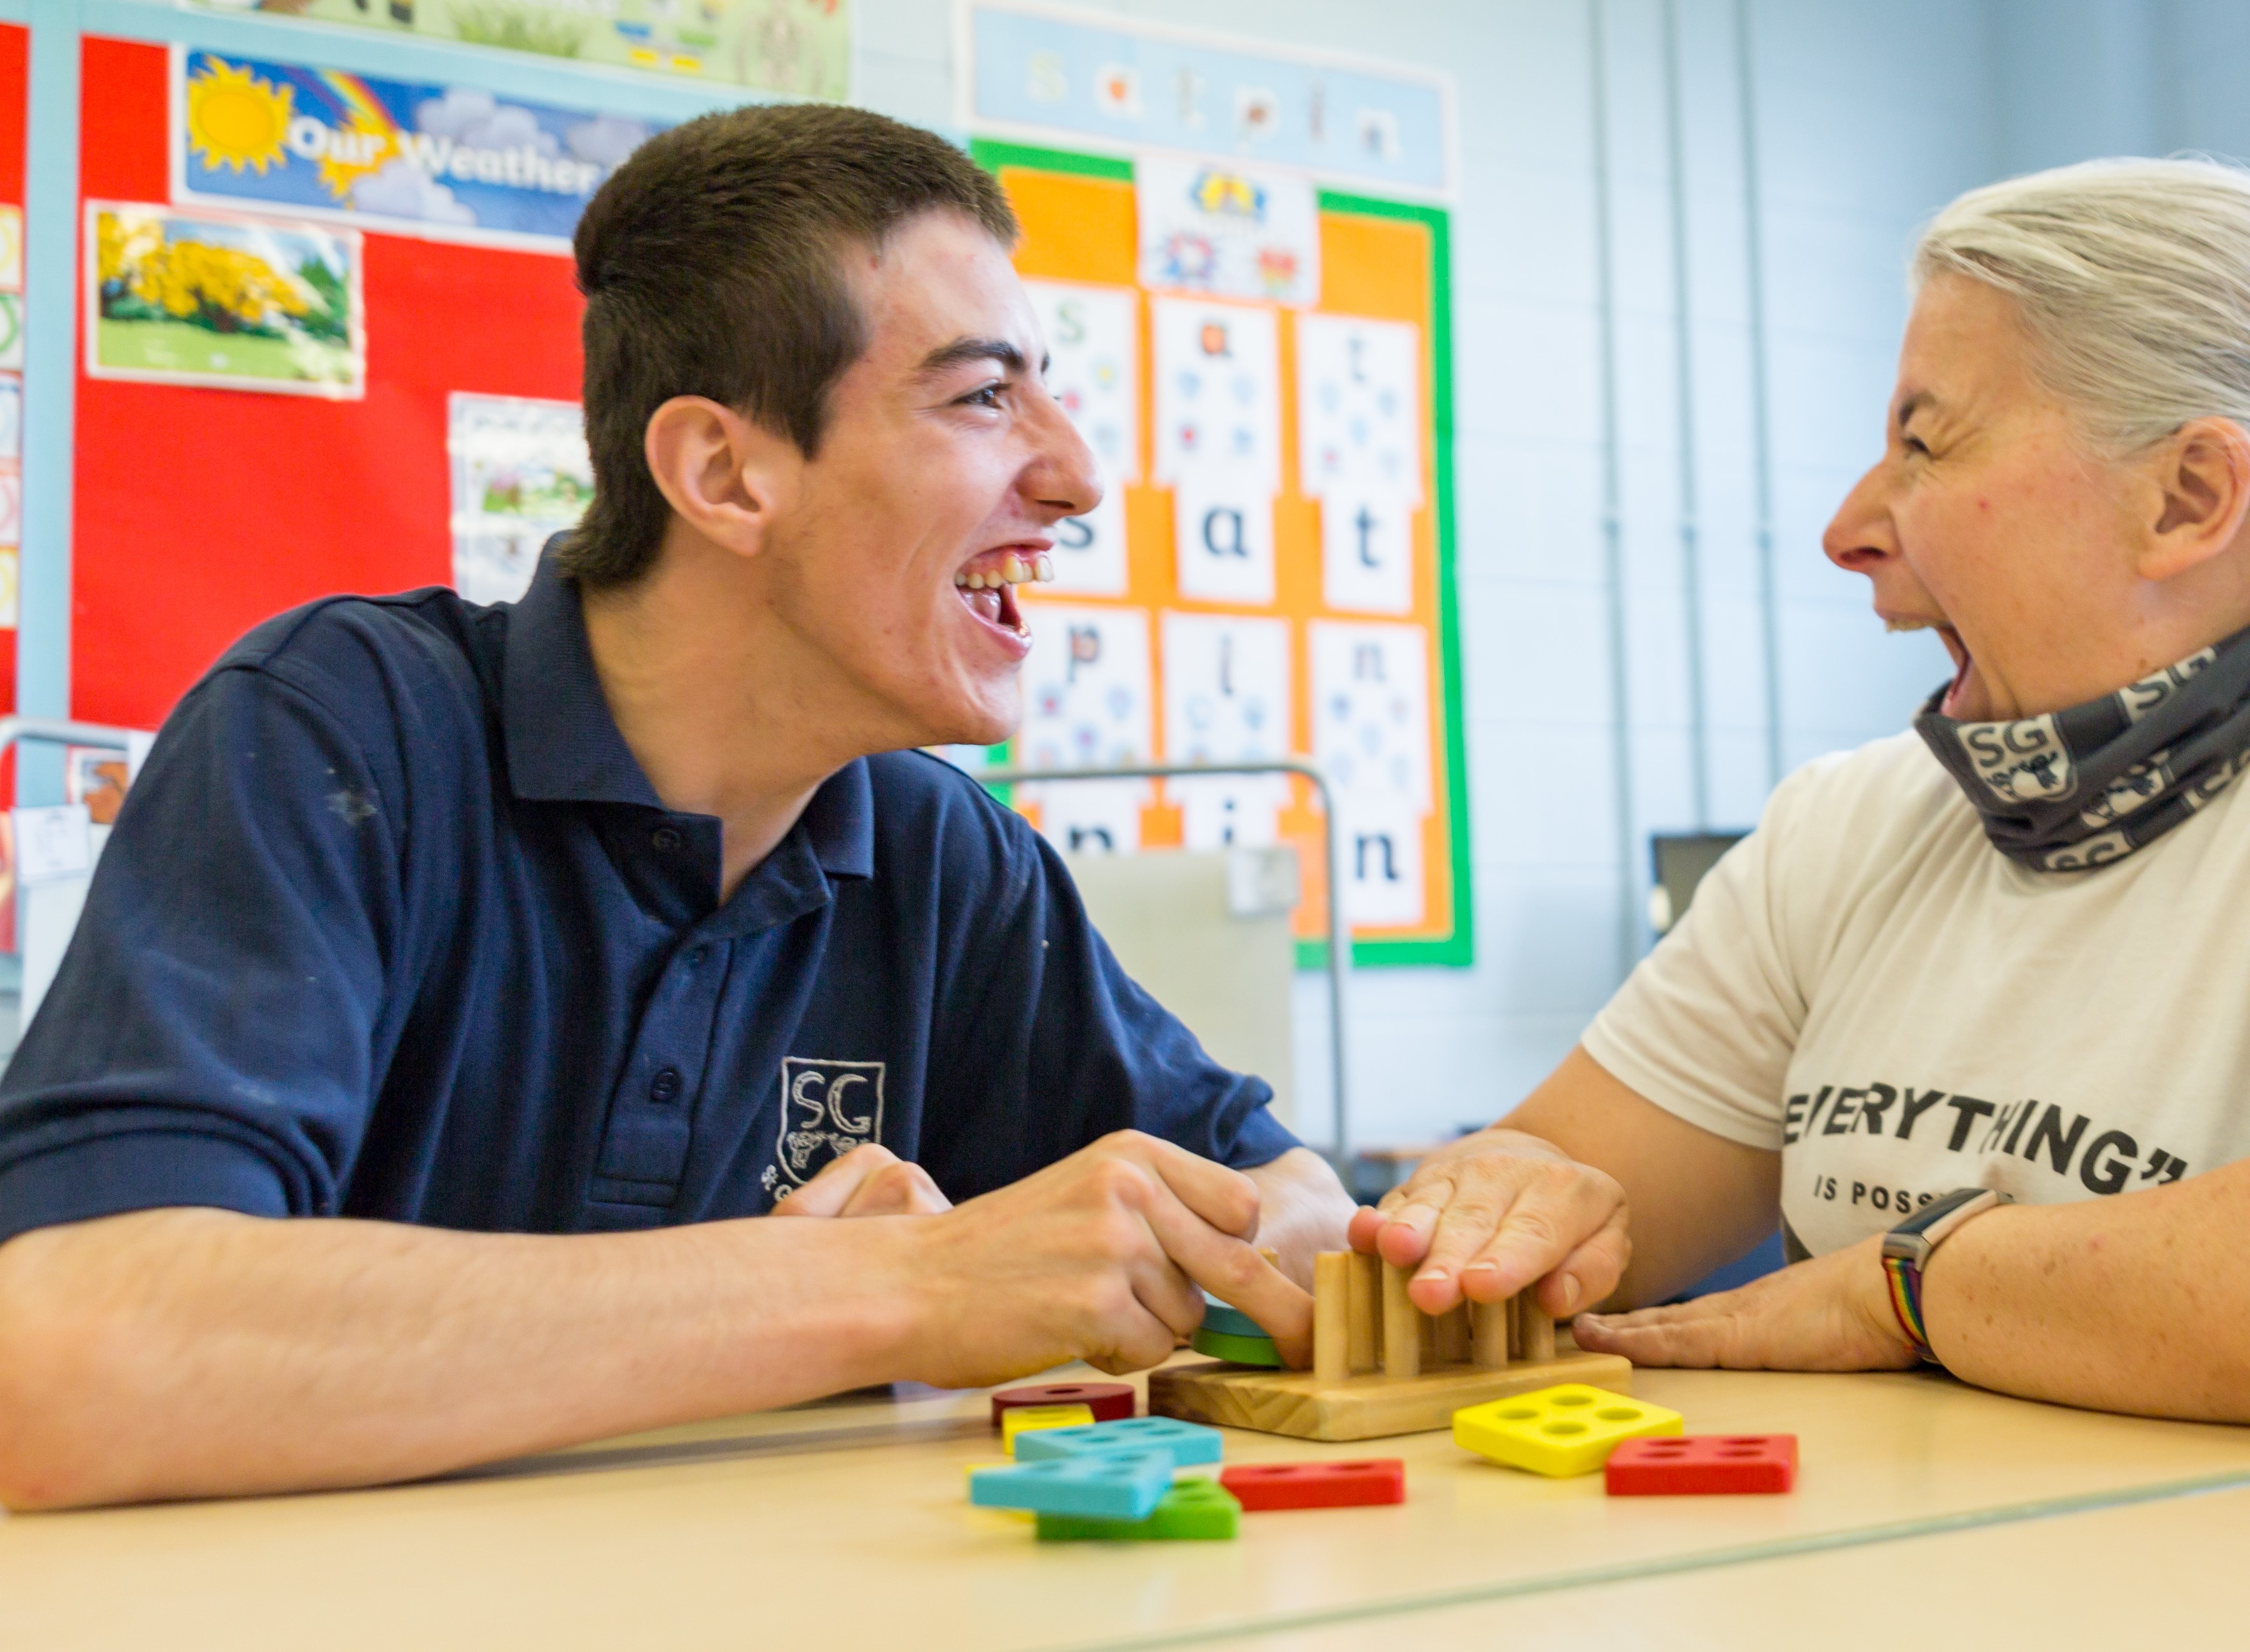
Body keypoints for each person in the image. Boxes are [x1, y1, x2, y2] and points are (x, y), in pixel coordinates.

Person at [0, 106, 1346, 1509]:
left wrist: (1477, 1222)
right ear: (720, 473)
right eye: (981, 396)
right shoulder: (337, 730)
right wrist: (882, 1288)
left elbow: (1293, 1213)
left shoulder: (947, 857)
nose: (1074, 476)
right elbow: (73, 1354)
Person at [1357, 157, 2250, 1482]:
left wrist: (1905, 1288)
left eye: (1922, 441)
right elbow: (1554, 1187)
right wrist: (1435, 1218)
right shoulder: (1856, 823)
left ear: (2186, 496)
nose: (1847, 529)